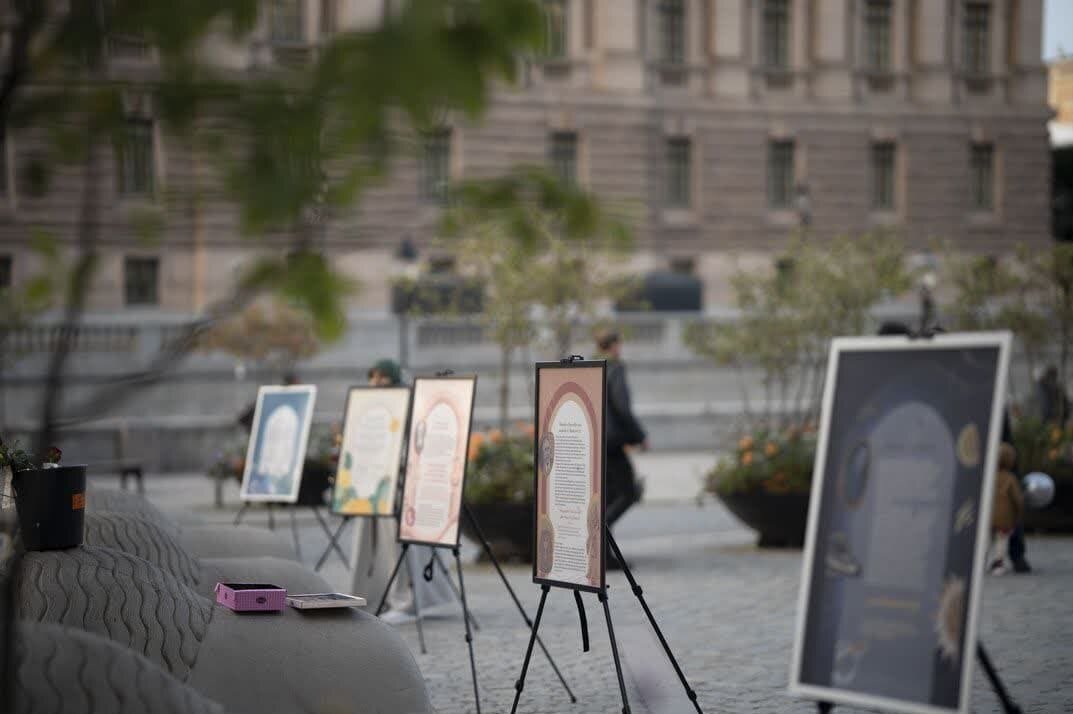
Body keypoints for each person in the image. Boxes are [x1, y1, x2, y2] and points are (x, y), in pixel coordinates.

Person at [354, 359, 459, 625]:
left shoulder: (412, 408)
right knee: (370, 546)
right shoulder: (370, 407)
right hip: (372, 485)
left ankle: (405, 599)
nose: (376, 384)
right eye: (373, 379)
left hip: (402, 487)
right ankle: (374, 596)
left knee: (401, 545)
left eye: (382, 379)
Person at [595, 330, 647, 566]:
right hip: (613, 442)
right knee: (627, 493)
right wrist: (639, 436)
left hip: (597, 439)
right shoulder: (615, 368)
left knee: (608, 496)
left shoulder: (593, 367)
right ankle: (600, 533)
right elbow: (622, 406)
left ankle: (604, 555)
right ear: (614, 345)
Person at [989, 443, 1024, 575]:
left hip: (989, 514)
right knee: (1002, 540)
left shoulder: (989, 476)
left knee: (987, 539)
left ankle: (981, 561)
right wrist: (1019, 512)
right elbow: (1018, 499)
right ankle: (998, 564)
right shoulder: (1010, 478)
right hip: (1005, 517)